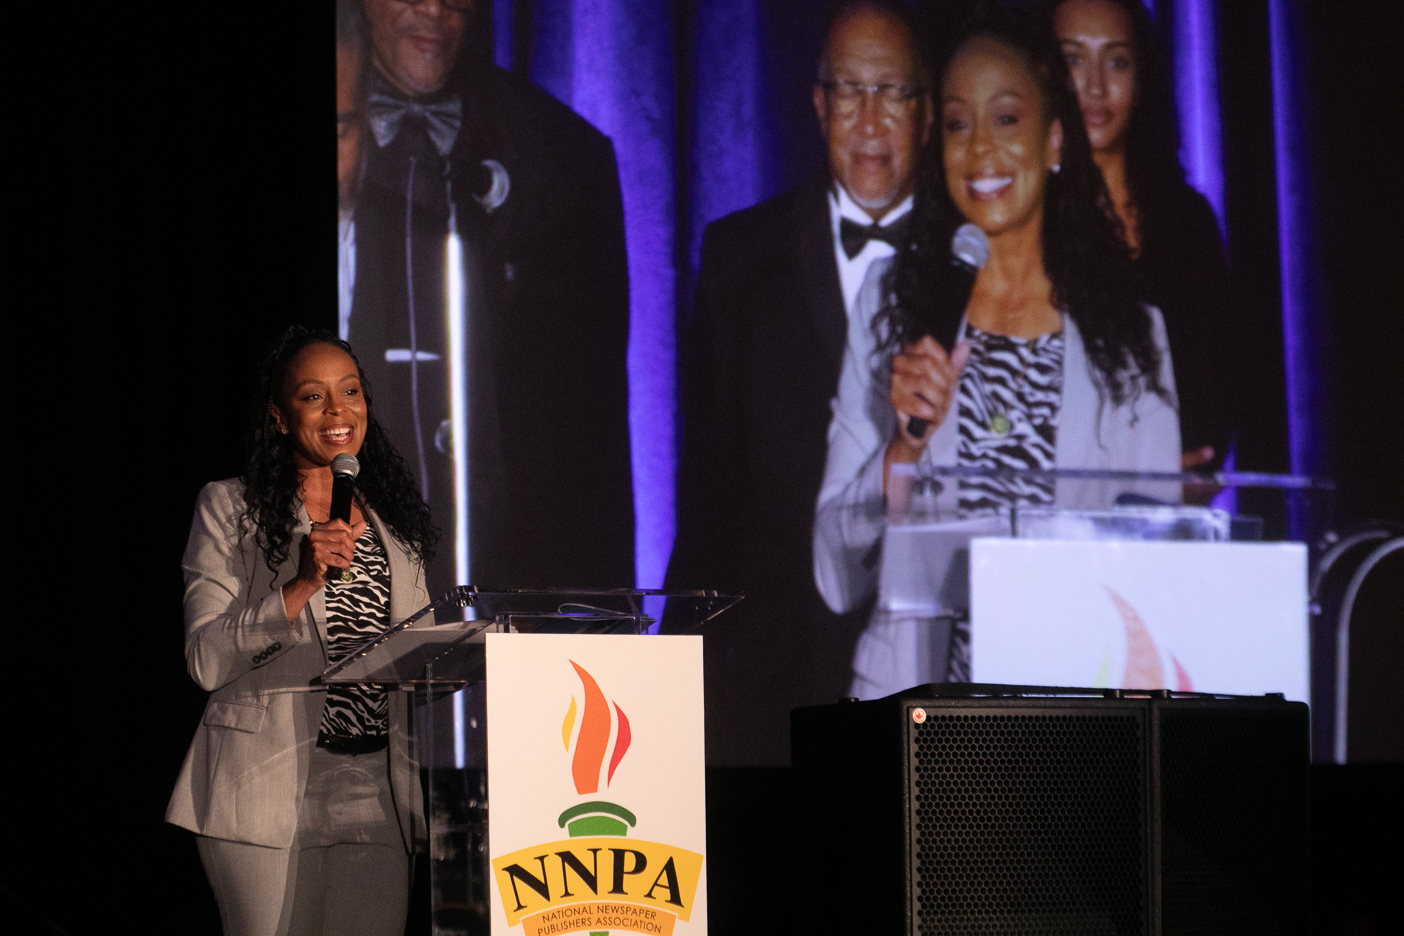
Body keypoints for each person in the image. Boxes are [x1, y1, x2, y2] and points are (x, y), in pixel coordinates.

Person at [813, 2, 1181, 699]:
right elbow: (835, 570)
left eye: (1006, 119)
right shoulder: (893, 308)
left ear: (1054, 139)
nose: (980, 148)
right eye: (958, 124)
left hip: (1073, 714)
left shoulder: (1132, 336)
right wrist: (901, 451)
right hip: (917, 713)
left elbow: (1155, 568)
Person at [664, 0, 933, 764]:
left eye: (892, 93)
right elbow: (709, 495)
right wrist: (678, 673)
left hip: (932, 664)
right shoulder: (740, 255)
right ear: (819, 105)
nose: (870, 120)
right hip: (774, 675)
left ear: (926, 112)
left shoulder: (975, 258)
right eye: (850, 92)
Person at [344, 0, 633, 594]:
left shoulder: (563, 158)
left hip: (512, 584)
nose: (434, 7)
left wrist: (594, 622)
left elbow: (593, 438)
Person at [166, 327, 436, 935]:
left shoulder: (395, 524)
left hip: (374, 790)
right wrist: (302, 583)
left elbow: (414, 656)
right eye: (314, 397)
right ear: (280, 417)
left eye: (350, 391)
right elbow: (205, 658)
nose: (338, 410)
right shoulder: (229, 508)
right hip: (264, 783)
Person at [1053, 0, 1235, 470]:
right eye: (1073, 60)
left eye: (1117, 62)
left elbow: (1222, 384)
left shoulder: (1188, 222)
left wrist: (1188, 472)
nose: (1095, 86)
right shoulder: (1027, 219)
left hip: (1175, 500)